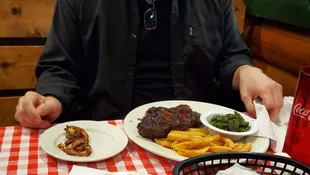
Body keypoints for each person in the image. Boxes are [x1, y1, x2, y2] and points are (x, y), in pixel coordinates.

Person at [15, 0, 283, 129]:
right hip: (108, 133)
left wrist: (246, 70)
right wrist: (52, 97)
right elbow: (59, 65)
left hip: (196, 137)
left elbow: (231, 56)